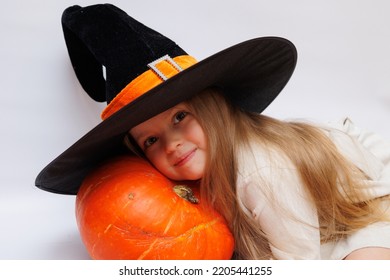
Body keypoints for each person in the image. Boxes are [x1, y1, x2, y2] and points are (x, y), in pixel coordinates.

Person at [35, 4, 390, 259]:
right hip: (311, 215)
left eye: (179, 117)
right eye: (151, 140)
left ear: (213, 106)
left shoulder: (262, 173)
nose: (172, 144)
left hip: (367, 204)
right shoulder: (203, 175)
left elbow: (298, 260)